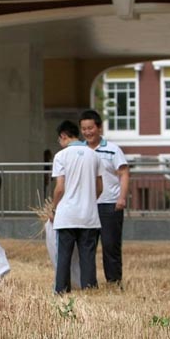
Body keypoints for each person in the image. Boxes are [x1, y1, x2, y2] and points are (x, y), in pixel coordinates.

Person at [50, 120, 103, 293]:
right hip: (89, 215)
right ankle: (89, 289)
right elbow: (100, 186)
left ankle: (62, 290)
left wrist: (53, 207)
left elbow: (59, 188)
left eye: (60, 139)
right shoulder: (94, 155)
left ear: (64, 136)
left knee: (64, 255)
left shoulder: (61, 156)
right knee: (87, 256)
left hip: (67, 215)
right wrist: (89, 199)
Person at [79, 109, 130, 288]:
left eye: (90, 128)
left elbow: (123, 173)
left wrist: (122, 198)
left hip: (110, 205)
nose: (87, 132)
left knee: (110, 246)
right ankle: (88, 283)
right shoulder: (79, 150)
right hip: (87, 205)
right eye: (84, 129)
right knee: (87, 247)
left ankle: (114, 283)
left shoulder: (113, 149)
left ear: (99, 128)